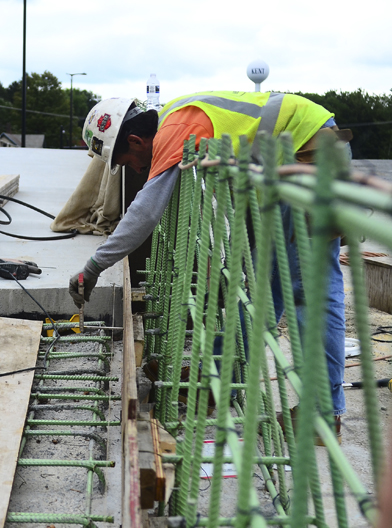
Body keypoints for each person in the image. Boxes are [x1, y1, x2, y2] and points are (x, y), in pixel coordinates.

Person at [68, 91, 348, 436]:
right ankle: (220, 379)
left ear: (136, 140)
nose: (135, 169)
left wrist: (93, 266)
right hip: (291, 160)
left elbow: (145, 213)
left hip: (308, 154)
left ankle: (322, 416)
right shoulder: (177, 119)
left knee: (308, 290)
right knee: (261, 287)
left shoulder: (175, 129)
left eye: (127, 161)